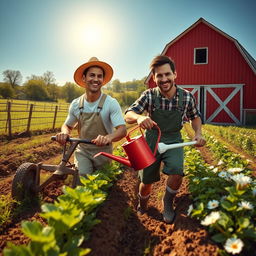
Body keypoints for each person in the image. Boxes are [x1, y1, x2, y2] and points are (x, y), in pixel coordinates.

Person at [124, 55, 205, 223]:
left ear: (175, 74)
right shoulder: (149, 95)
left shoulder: (187, 97)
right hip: (152, 139)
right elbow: (128, 114)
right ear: (154, 78)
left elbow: (195, 117)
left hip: (174, 138)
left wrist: (198, 133)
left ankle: (167, 202)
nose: (164, 79)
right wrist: (139, 118)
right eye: (159, 75)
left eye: (167, 74)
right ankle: (143, 204)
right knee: (146, 180)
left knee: (177, 172)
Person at [56, 57, 127, 180]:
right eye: (92, 75)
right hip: (83, 149)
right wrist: (64, 133)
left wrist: (107, 138)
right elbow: (67, 125)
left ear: (103, 80)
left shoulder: (110, 103)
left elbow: (122, 130)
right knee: (83, 178)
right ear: (84, 78)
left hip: (103, 152)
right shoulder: (76, 104)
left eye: (99, 76)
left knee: (102, 184)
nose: (96, 79)